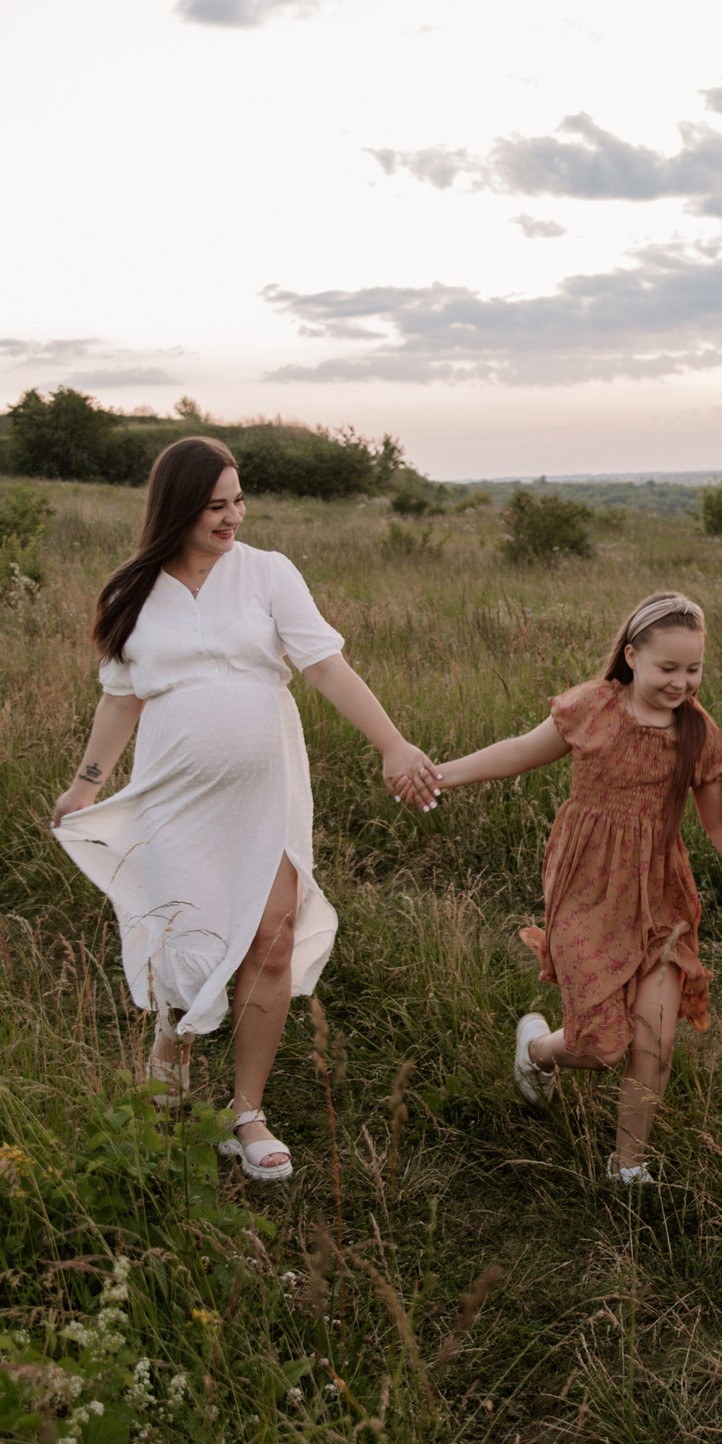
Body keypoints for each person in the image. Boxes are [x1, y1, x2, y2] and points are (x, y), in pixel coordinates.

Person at [51, 437, 439, 1182]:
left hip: (268, 791)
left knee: (271, 935)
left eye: (238, 499)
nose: (234, 516)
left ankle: (246, 1111)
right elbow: (120, 697)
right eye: (216, 504)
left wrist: (393, 744)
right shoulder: (131, 591)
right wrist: (86, 784)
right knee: (188, 940)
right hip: (176, 792)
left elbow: (325, 664)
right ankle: (172, 1057)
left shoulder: (268, 573)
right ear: (176, 509)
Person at [432, 591, 722, 1184]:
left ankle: (628, 1167)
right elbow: (522, 752)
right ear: (631, 656)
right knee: (600, 1047)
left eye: (694, 669)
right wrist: (442, 775)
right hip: (587, 887)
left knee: (654, 1036)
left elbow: (717, 822)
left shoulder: (698, 734)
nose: (682, 682)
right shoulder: (593, 708)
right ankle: (538, 1051)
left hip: (660, 895)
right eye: (668, 668)